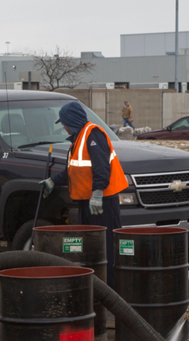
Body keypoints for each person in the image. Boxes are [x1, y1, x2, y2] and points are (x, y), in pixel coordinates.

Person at [40, 102, 128, 287]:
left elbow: (102, 167)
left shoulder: (93, 134)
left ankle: (112, 291)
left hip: (102, 202)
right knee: (92, 248)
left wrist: (97, 192)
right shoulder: (78, 139)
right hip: (87, 203)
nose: (63, 126)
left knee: (106, 248)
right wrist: (53, 181)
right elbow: (74, 171)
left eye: (64, 122)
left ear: (71, 121)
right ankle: (97, 289)